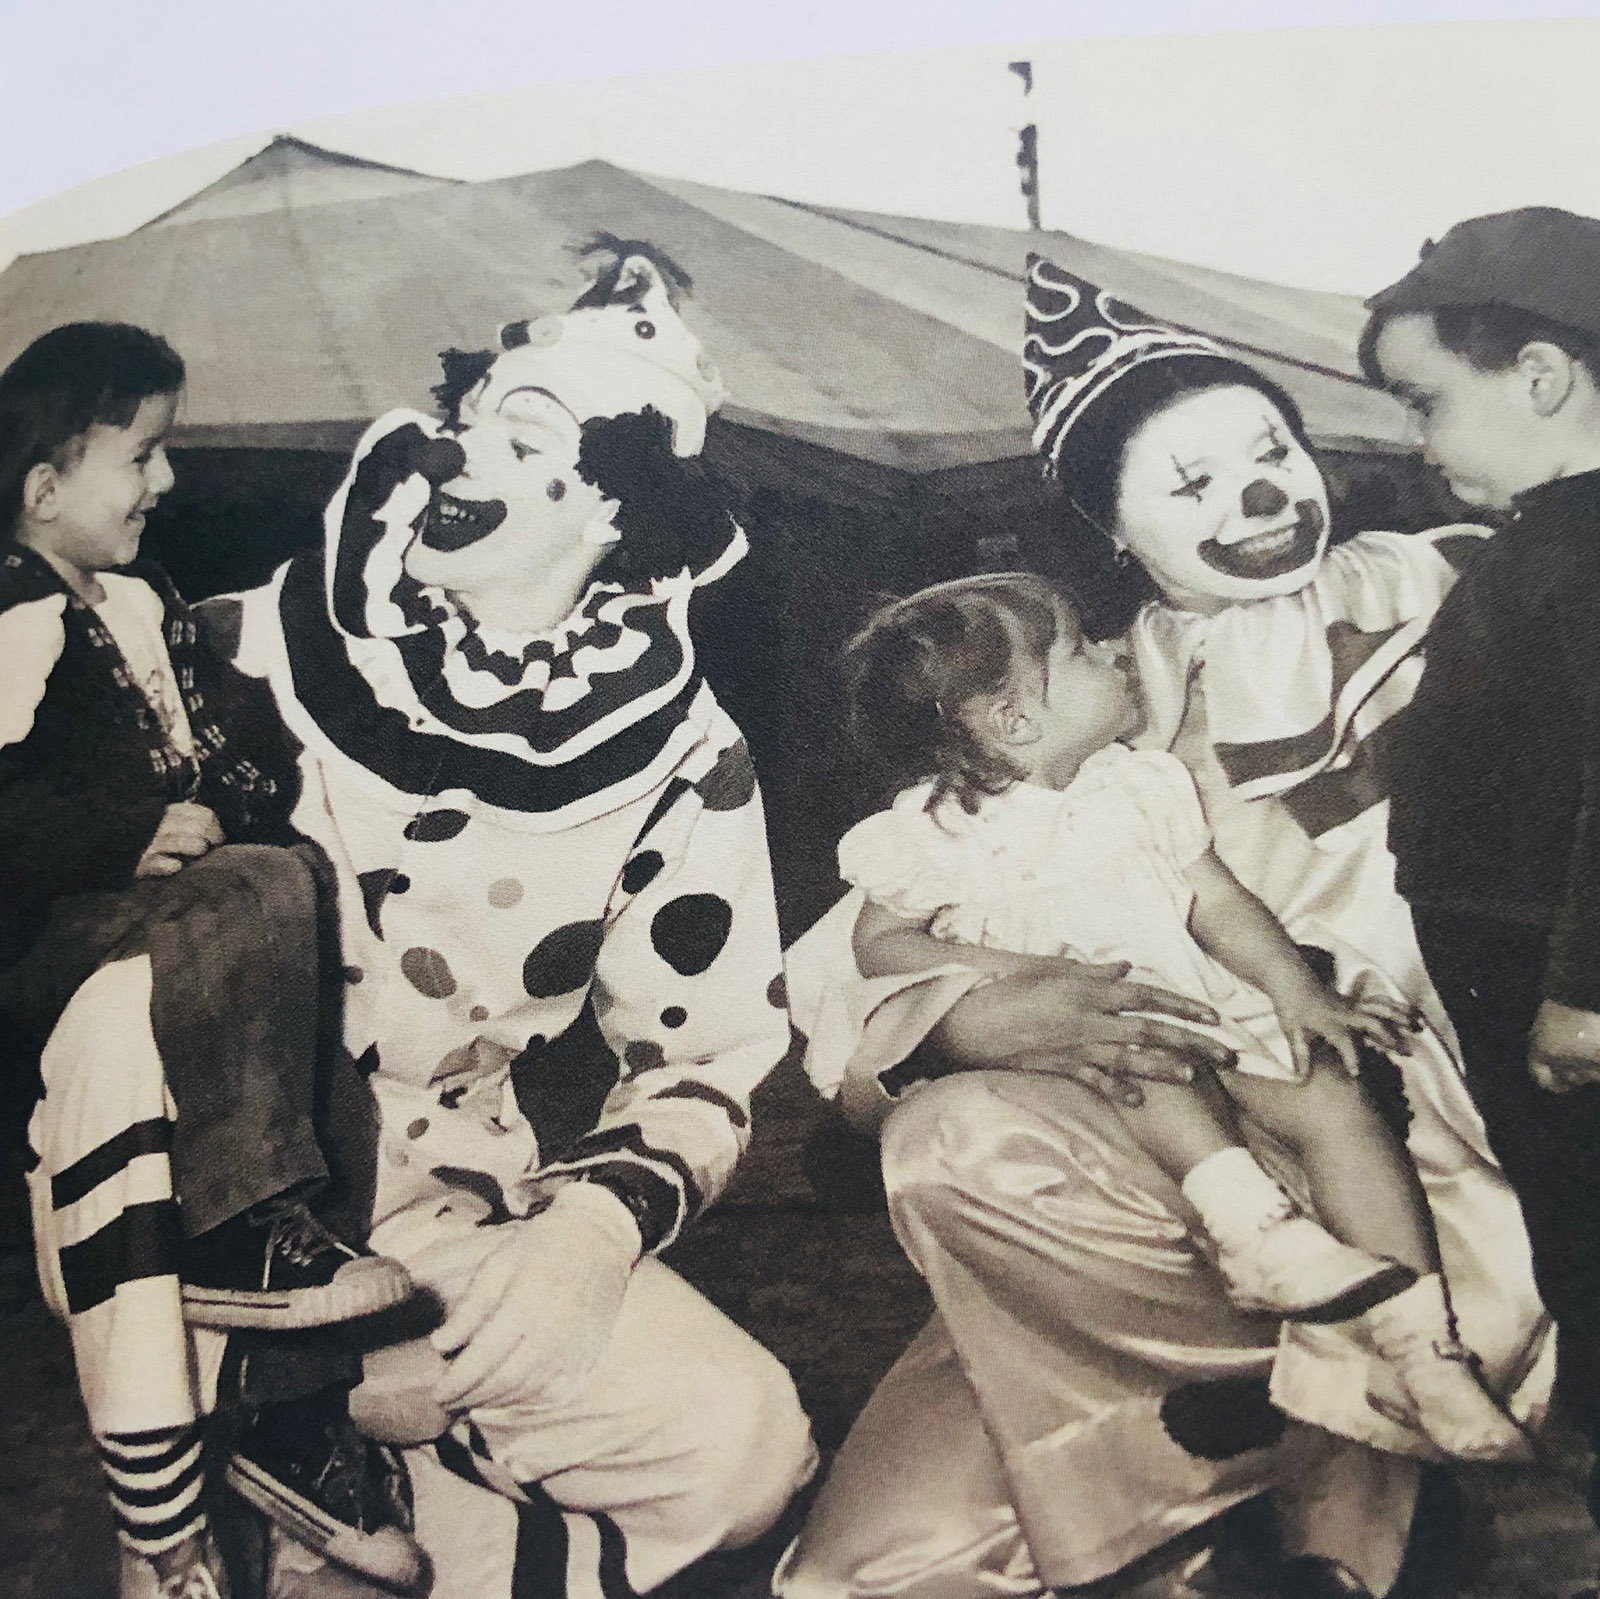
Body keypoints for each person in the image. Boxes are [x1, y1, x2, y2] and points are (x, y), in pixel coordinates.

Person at [781, 262, 1551, 1599]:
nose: (1256, 494)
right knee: (876, 1563)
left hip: (1430, 1142)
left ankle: (1340, 1484)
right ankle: (1171, 1491)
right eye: (1189, 485)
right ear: (1121, 536)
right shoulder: (1089, 703)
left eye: (1271, 450)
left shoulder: (1471, 586)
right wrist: (977, 1008)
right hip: (1163, 1175)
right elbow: (845, 970)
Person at [215, 244, 817, 1598]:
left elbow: (707, 1047)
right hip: (200, 1237)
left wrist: (587, 1232)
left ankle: (399, 1499)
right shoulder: (235, 648)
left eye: (522, 433)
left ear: (617, 505)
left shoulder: (682, 749)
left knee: (741, 1440)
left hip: (441, 1224)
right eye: (469, 419)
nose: (453, 457)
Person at [837, 570, 1523, 1461]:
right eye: (1079, 651)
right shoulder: (932, 835)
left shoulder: (1140, 786)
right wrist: (1016, 973)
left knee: (1335, 1106)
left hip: (1201, 1008)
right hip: (1099, 1053)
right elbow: (878, 945)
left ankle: (1421, 1348)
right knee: (1143, 1049)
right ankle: (1251, 1226)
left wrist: (1296, 990)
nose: (1116, 651)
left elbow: (1219, 904)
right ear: (1015, 722)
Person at [0, 323, 422, 1599]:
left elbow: (226, 746)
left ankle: (294, 1416)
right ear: (42, 485)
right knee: (271, 884)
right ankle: (243, 1242)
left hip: (178, 933)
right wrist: (126, 829)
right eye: (145, 454)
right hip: (56, 938)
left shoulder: (137, 602)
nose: (166, 483)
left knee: (317, 1057)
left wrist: (228, 763)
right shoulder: (14, 614)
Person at [1363, 205, 1600, 1558]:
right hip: (1518, 974)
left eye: (1428, 402)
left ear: (1544, 376)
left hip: (1561, 988)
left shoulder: (1588, 547)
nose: (1420, 439)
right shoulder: (1550, 535)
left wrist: (1585, 991)